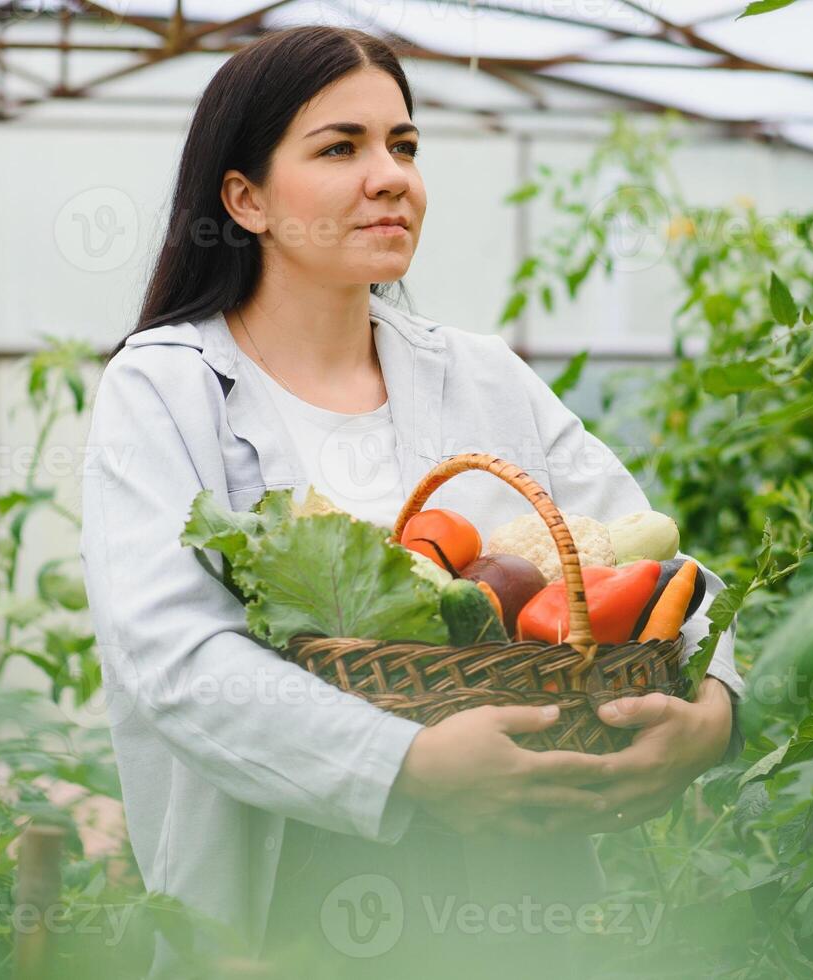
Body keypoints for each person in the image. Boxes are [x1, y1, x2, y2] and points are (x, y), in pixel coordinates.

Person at [77, 25, 745, 979]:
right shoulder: (167, 389)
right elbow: (173, 658)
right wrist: (409, 766)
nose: (390, 175)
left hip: (514, 887)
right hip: (282, 901)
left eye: (405, 145)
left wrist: (716, 711)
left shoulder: (482, 376)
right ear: (245, 199)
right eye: (340, 147)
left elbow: (654, 567)